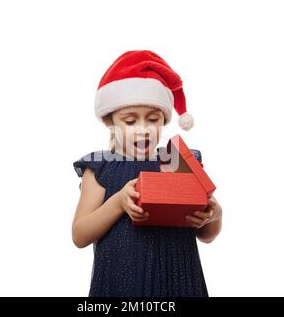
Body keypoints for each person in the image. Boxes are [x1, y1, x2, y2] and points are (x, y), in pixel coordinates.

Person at [72, 50, 222, 297]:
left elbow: (206, 235)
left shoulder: (177, 161)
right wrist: (118, 202)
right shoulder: (101, 167)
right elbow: (79, 235)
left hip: (178, 282)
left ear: (163, 120)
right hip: (121, 285)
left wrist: (213, 215)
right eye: (130, 121)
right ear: (110, 122)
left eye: (152, 120)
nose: (143, 129)